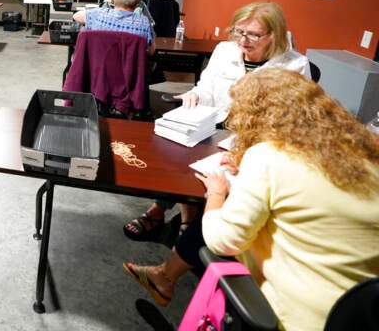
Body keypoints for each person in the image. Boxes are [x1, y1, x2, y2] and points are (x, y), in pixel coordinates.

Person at [125, 69, 379, 331]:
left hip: (288, 317)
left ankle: (166, 276)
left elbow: (223, 241)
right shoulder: (366, 155)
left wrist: (216, 193)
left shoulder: (269, 156)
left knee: (218, 214)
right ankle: (164, 275)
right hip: (359, 316)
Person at [123, 1, 310, 241]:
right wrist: (195, 95)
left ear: (275, 35)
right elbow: (206, 89)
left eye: (253, 35)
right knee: (180, 157)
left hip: (258, 139)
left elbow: (294, 118)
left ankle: (182, 218)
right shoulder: (225, 50)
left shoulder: (295, 65)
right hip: (216, 124)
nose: (243, 41)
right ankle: (169, 212)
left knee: (220, 172)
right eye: (238, 32)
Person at [72, 0, 154, 46]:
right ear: (136, 6)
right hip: (129, 68)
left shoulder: (98, 14)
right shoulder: (145, 23)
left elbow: (75, 16)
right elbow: (151, 51)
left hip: (99, 66)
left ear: (113, 1)